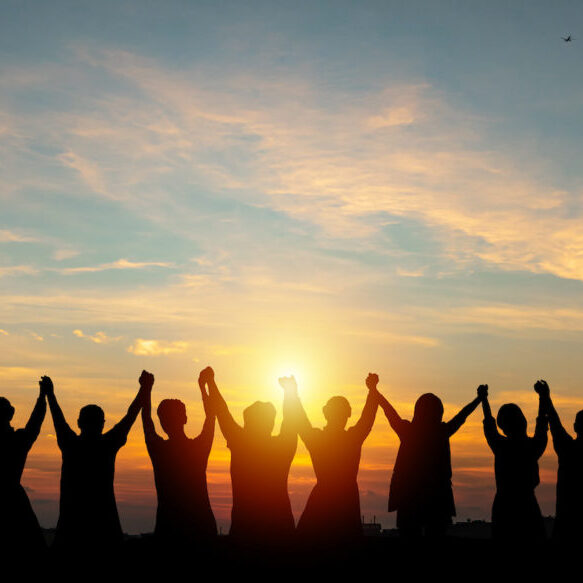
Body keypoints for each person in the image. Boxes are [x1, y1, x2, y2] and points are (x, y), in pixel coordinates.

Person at [45, 374, 144, 550]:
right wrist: (144, 389)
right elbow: (130, 416)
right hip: (105, 526)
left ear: (79, 423)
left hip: (71, 526)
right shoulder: (107, 444)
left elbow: (58, 418)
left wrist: (49, 394)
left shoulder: (70, 444)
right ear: (102, 424)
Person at [202, 366, 297, 544]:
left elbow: (222, 411)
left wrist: (211, 382)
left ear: (248, 423)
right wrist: (290, 393)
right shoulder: (283, 446)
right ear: (270, 423)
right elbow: (291, 421)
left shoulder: (241, 443)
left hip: (246, 530)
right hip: (280, 530)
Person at [377, 385, 485, 537]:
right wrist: (479, 399)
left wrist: (376, 393)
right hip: (437, 499)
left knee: (409, 538)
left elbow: (390, 413)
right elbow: (462, 416)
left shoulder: (408, 431)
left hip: (408, 499)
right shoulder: (441, 432)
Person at [284, 372, 378, 544]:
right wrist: (372, 390)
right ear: (347, 415)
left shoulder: (319, 439)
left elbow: (300, 420)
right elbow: (368, 418)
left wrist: (292, 394)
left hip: (326, 500)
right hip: (344, 501)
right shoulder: (352, 438)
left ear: (326, 413)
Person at [140, 369, 217, 545]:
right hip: (201, 527)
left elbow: (146, 418)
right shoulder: (199, 448)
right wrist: (204, 387)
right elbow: (211, 415)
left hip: (169, 528)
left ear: (162, 422)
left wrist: (146, 389)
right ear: (185, 418)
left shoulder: (158, 449)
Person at [481, 383, 548, 541]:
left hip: (504, 508)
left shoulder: (501, 446)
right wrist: (543, 397)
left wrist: (484, 399)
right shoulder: (531, 447)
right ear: (523, 422)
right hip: (527, 507)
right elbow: (541, 426)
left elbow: (489, 426)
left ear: (503, 427)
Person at [0, 377, 47, 553]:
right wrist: (43, 396)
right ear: (10, 415)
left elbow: (35, 423)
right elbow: (35, 423)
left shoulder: (17, 439)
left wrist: (42, 397)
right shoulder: (18, 440)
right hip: (15, 502)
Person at [536, 379, 583, 542]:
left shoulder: (567, 449)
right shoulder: (567, 448)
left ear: (576, 427)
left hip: (566, 519)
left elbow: (555, 423)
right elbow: (555, 423)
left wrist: (545, 397)